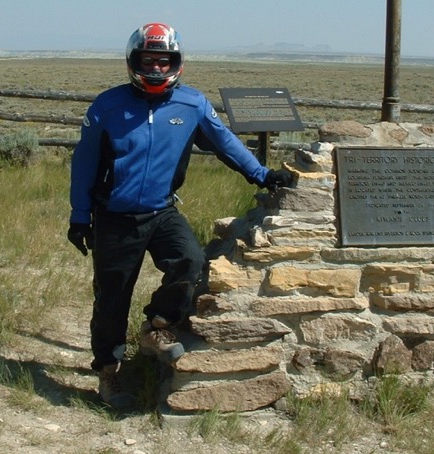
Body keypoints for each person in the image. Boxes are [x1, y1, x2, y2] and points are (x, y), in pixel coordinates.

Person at [67, 23, 291, 409]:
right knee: (111, 299)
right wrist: (79, 216)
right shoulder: (107, 106)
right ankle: (108, 373)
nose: (156, 67)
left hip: (161, 211)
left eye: (163, 60)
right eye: (148, 60)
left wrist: (263, 174)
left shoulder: (192, 105)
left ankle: (156, 326)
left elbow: (226, 143)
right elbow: (84, 163)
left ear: (177, 62)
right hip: (115, 217)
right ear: (133, 61)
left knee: (190, 259)